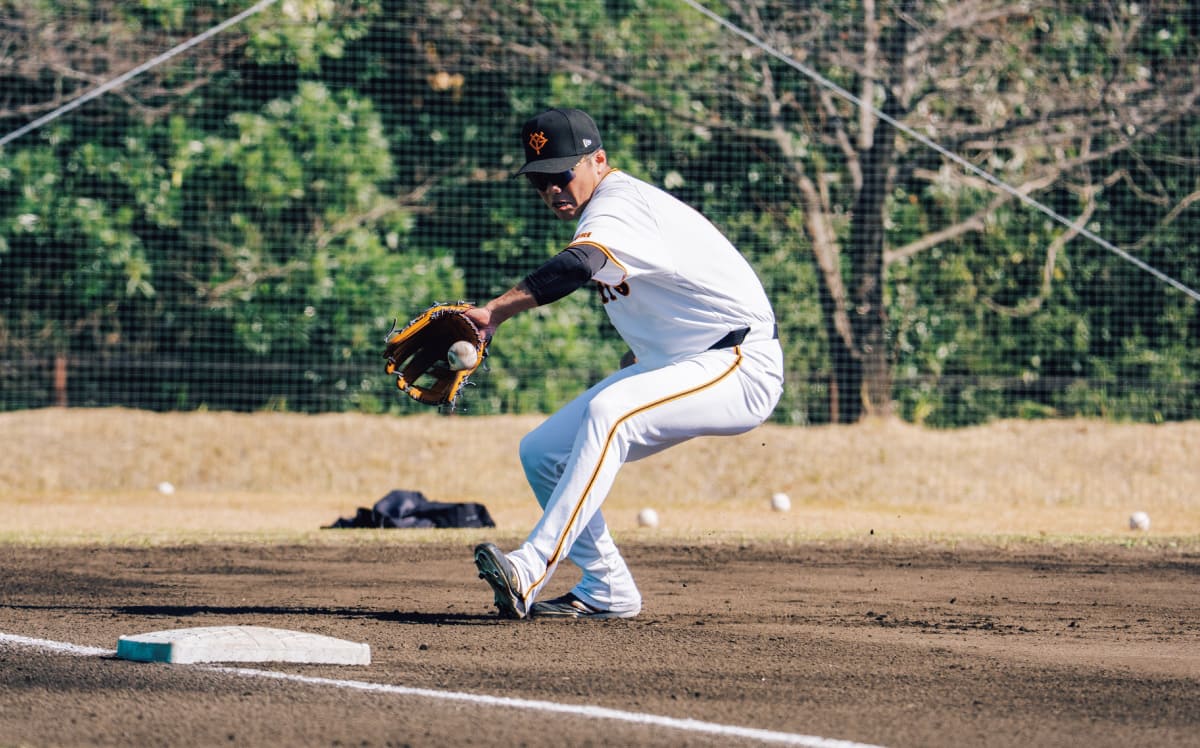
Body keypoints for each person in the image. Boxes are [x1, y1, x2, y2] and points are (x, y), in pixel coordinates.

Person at [467, 108, 784, 620]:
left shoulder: (617, 202)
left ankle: (529, 567)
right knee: (542, 450)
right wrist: (641, 358)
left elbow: (578, 265)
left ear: (598, 161)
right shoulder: (609, 211)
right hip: (685, 362)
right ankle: (607, 588)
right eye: (541, 180)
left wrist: (494, 311)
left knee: (610, 411)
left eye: (562, 173)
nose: (552, 189)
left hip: (740, 363)